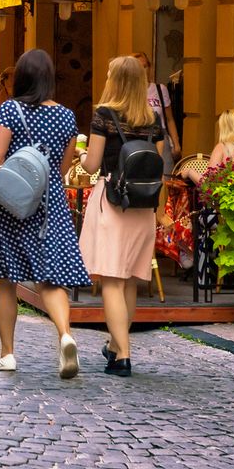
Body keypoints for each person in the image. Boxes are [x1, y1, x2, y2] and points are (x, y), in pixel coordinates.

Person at [0, 49, 88, 379]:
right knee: (50, 278)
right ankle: (65, 334)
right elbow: (63, 167)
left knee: (6, 279)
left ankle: (7, 353)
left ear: (20, 77)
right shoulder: (66, 116)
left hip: (12, 205)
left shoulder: (10, 109)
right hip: (50, 204)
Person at [78, 57, 164, 377]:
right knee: (128, 279)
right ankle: (115, 346)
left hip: (113, 202)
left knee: (111, 280)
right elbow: (158, 166)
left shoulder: (104, 116)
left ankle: (123, 355)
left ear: (114, 80)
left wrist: (82, 153)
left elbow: (91, 165)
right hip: (143, 207)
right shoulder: (152, 119)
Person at [134, 51, 181, 175]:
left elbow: (169, 119)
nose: (143, 70)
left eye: (145, 66)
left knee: (165, 177)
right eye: (139, 67)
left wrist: (176, 144)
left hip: (161, 137)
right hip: (138, 138)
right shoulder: (129, 93)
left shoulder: (160, 90)